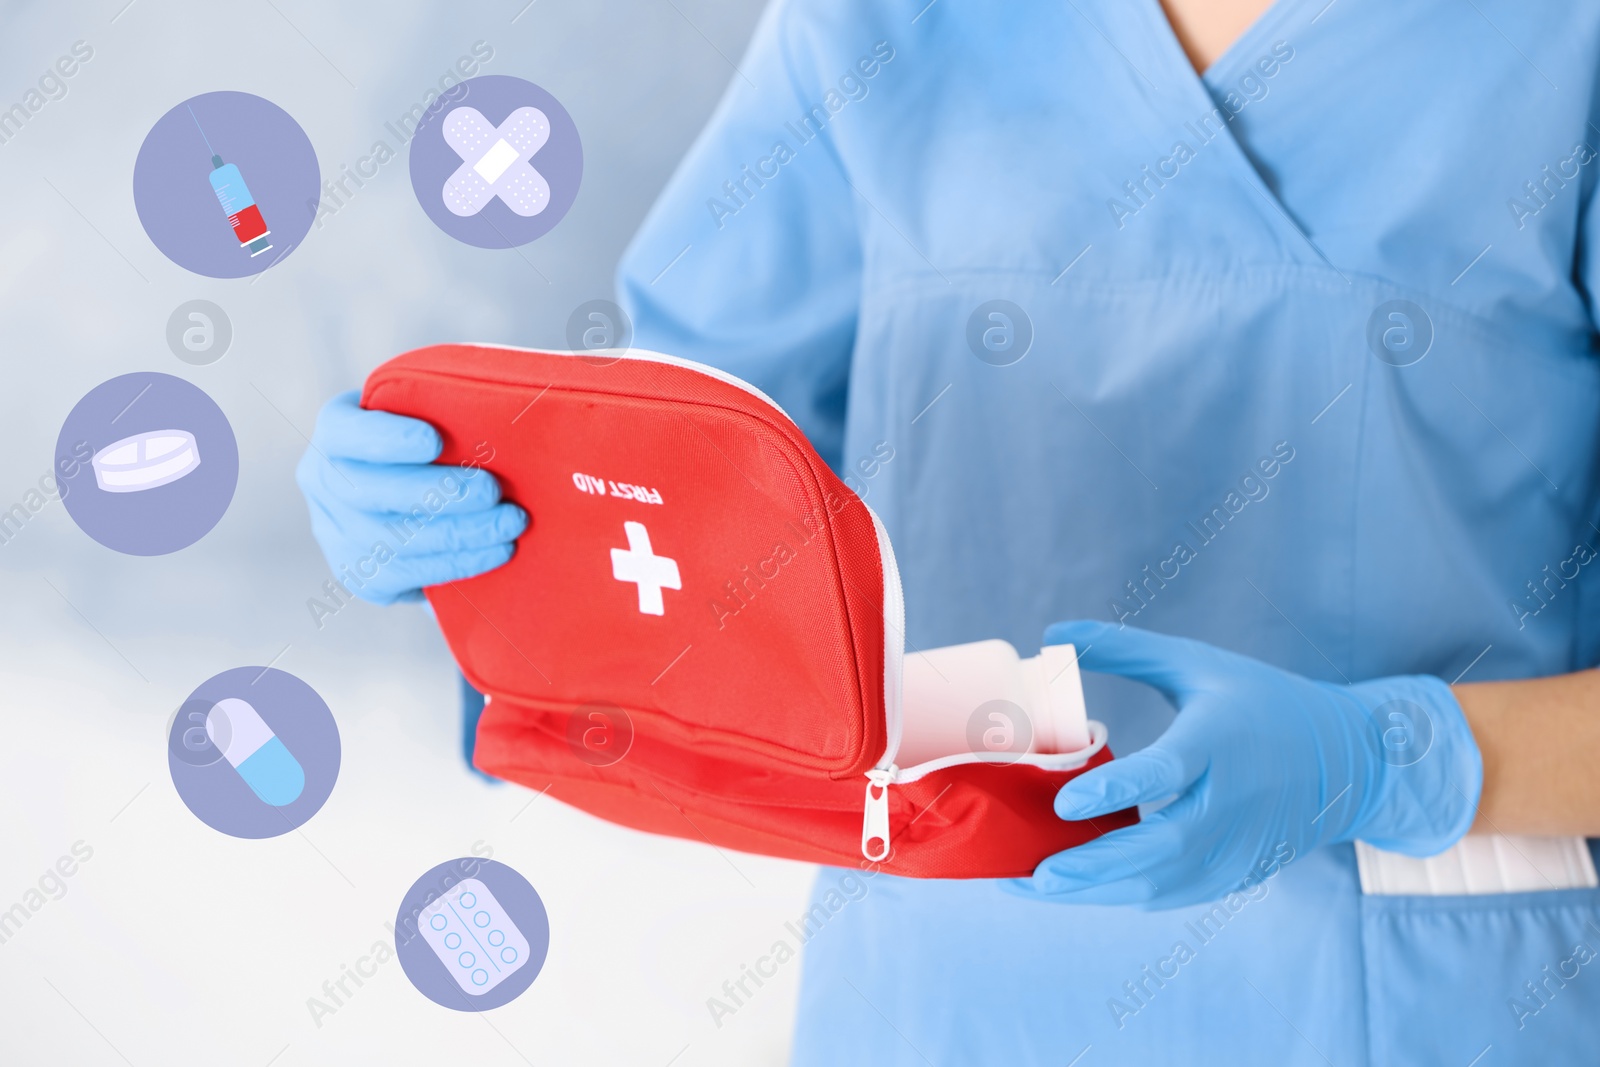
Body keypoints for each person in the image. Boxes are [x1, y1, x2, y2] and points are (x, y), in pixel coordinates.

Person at [296, 0, 1600, 1061]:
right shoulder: (887, 25)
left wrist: (1386, 761)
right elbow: (688, 499)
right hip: (937, 994)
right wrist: (488, 513)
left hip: (1417, 996)